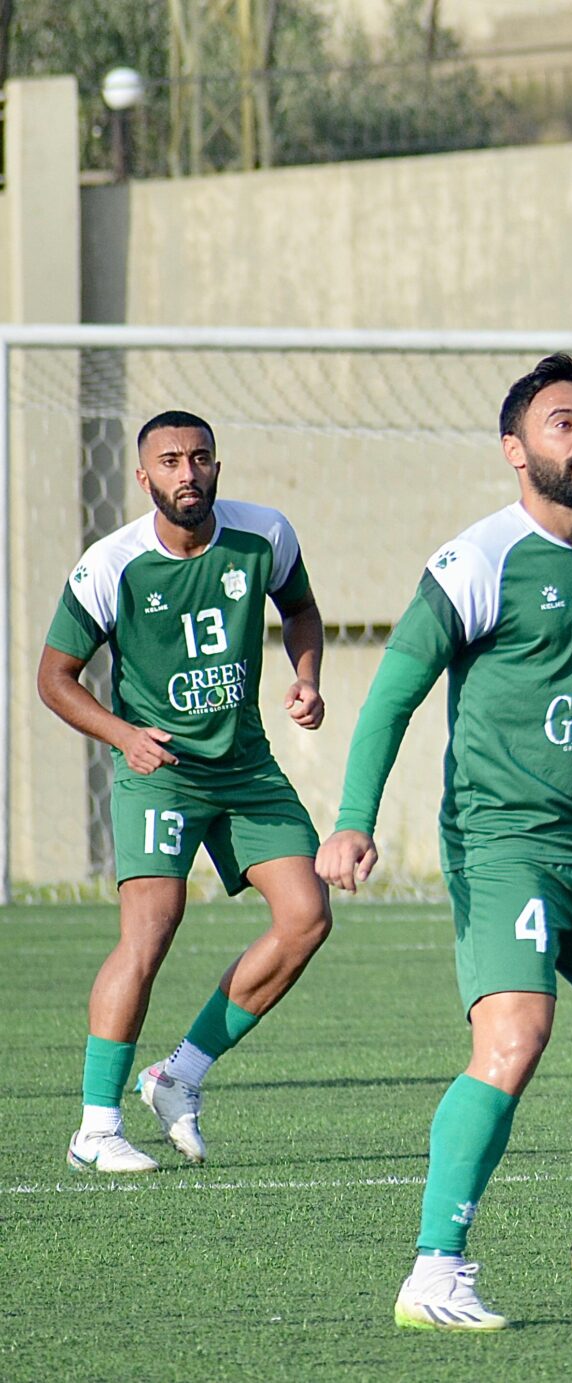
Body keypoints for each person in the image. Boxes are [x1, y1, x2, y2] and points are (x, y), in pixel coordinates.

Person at [316, 354, 572, 1332]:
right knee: (514, 1039)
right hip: (503, 842)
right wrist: (354, 818)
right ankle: (434, 1271)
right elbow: (393, 691)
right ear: (514, 449)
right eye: (562, 424)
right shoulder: (479, 560)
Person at [38, 410, 332, 1173]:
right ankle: (95, 1128)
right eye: (169, 460)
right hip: (160, 771)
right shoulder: (111, 565)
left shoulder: (264, 535)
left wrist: (306, 677)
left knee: (306, 916)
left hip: (246, 767)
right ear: (144, 477)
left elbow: (300, 609)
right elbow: (54, 678)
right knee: (151, 928)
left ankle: (178, 1075)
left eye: (199, 457)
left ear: (217, 467)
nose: (187, 472)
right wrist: (122, 734)